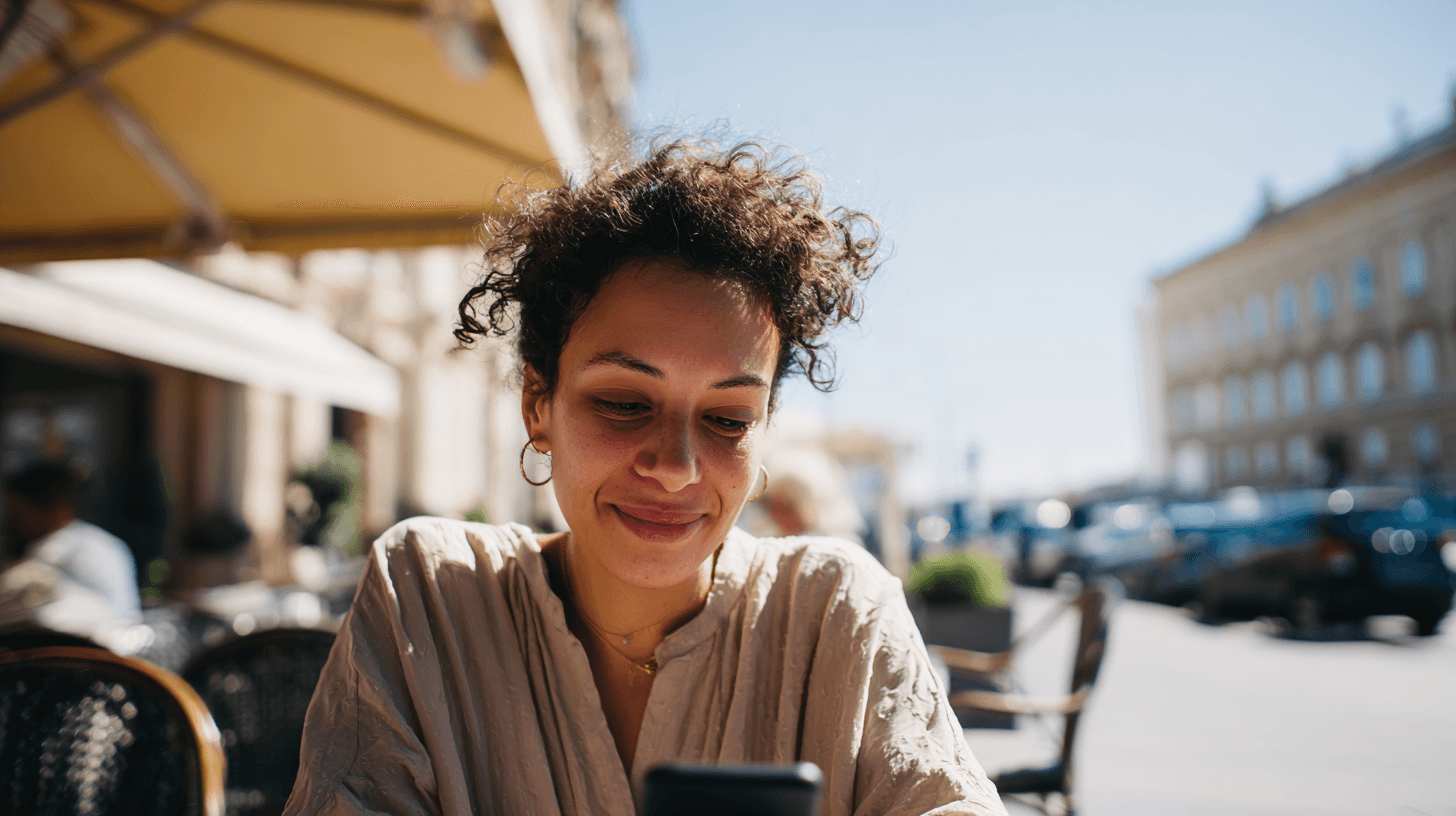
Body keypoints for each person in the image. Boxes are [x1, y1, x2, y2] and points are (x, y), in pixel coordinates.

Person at [285, 139, 1006, 816]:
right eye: (625, 404)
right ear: (539, 405)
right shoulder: (428, 598)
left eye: (728, 419)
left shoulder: (835, 611)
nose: (677, 467)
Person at [0, 460, 142, 644]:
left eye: (19, 514)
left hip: (88, 658)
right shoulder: (102, 542)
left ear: (58, 508)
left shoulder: (61, 548)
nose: (11, 523)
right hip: (120, 659)